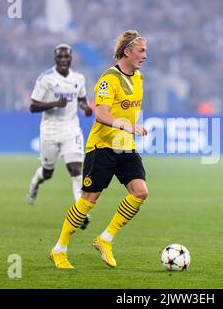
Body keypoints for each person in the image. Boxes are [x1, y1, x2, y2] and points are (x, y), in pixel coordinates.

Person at [50, 30, 148, 269]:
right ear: (127, 51)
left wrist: (130, 129)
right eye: (141, 51)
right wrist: (125, 125)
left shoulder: (139, 77)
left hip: (125, 146)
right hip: (102, 146)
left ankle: (105, 239)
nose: (145, 56)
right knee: (88, 200)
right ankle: (59, 249)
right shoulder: (109, 79)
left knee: (140, 192)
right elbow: (101, 114)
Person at [26, 44, 93, 229]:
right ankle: (35, 183)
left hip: (71, 129)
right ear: (55, 59)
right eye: (60, 58)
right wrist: (55, 103)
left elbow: (81, 99)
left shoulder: (78, 78)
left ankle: (81, 212)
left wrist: (86, 108)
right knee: (48, 172)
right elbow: (33, 106)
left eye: (66, 57)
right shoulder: (46, 79)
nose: (63, 60)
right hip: (50, 130)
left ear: (71, 59)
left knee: (76, 170)